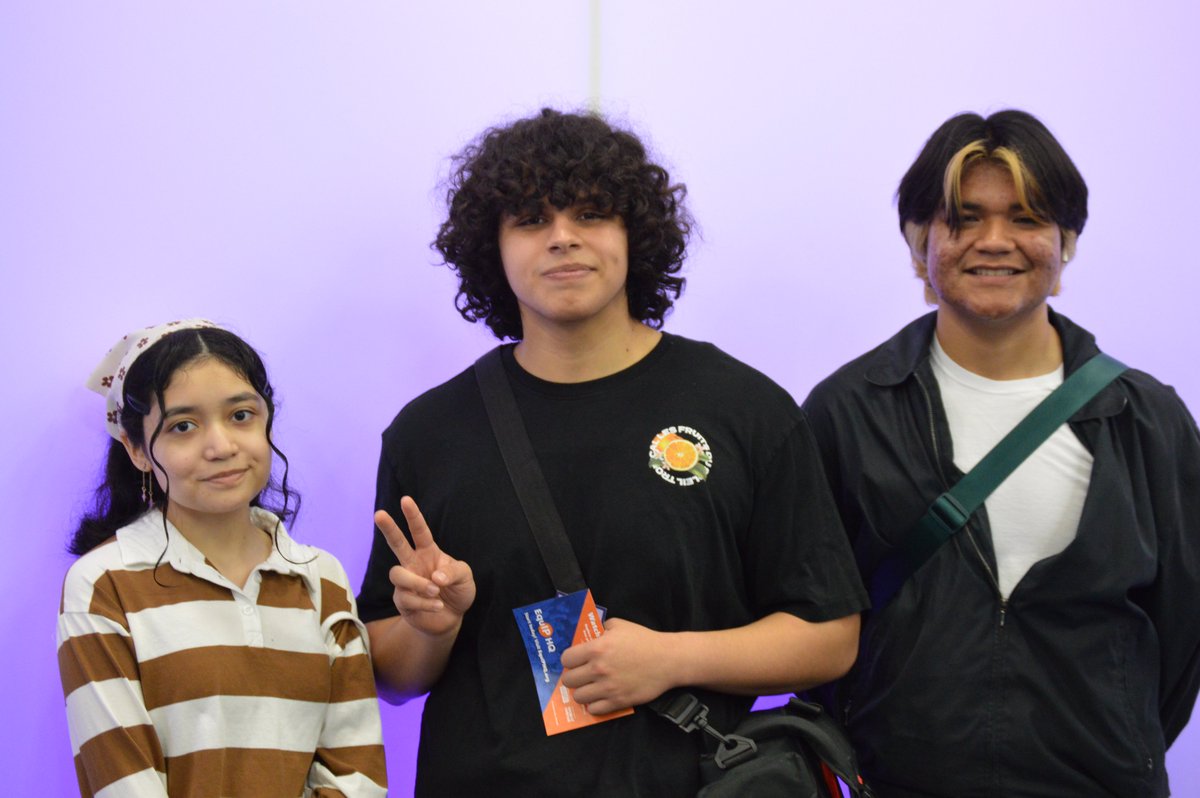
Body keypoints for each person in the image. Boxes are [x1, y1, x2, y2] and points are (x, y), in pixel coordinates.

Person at [356, 108, 868, 796]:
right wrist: (432, 627)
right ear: (493, 249)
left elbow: (828, 636)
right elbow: (391, 672)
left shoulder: (743, 408)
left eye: (592, 214)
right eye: (532, 221)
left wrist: (671, 659)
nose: (563, 238)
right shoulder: (430, 431)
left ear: (636, 234)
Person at [802, 109, 1200, 797]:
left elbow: (1182, 636)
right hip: (899, 782)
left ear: (1065, 241)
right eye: (964, 217)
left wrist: (1109, 736)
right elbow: (810, 617)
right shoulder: (848, 412)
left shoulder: (1147, 418)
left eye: (1025, 218)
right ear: (918, 238)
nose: (995, 242)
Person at [58, 320, 387, 797]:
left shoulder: (319, 577)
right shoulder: (104, 583)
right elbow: (122, 784)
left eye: (240, 416)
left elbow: (357, 775)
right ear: (136, 449)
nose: (222, 447)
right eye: (183, 426)